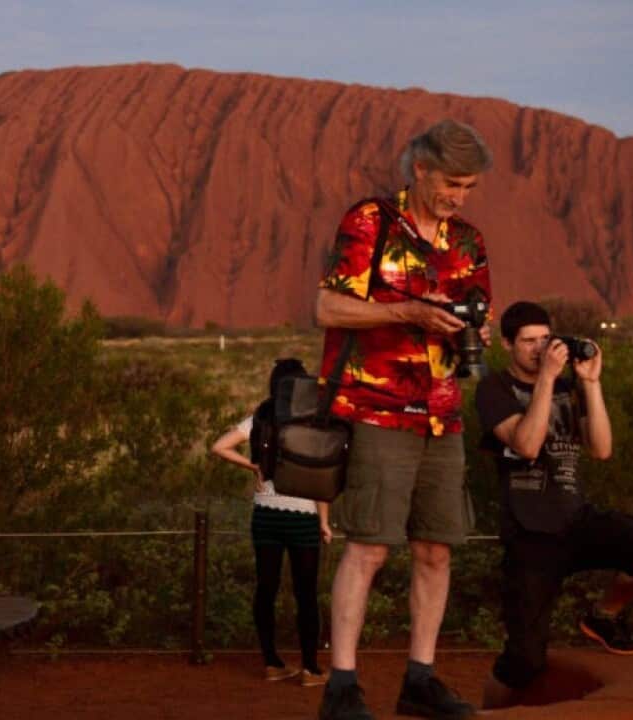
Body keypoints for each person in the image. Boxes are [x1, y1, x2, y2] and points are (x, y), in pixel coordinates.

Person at [314, 119, 493, 720]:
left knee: (436, 549)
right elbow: (327, 306)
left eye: (468, 187)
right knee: (369, 547)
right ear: (420, 169)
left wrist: (469, 323)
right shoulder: (372, 222)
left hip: (443, 413)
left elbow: (479, 310)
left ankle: (420, 679)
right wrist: (410, 311)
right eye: (451, 184)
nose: (459, 197)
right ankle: (342, 687)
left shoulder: (467, 240)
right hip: (379, 408)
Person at [476, 301, 633, 707]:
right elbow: (527, 445)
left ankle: (604, 616)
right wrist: (547, 379)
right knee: (525, 661)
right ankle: (490, 707)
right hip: (530, 537)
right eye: (528, 341)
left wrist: (591, 384)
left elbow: (601, 449)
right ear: (507, 344)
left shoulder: (569, 388)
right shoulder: (494, 389)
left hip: (576, 520)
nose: (539, 349)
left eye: (545, 339)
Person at [211, 358, 332, 687]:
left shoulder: (261, 416)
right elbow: (320, 478)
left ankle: (272, 663)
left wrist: (254, 467)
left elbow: (219, 446)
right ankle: (310, 669)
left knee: (266, 587)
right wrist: (324, 522)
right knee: (306, 593)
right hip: (302, 514)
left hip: (265, 513)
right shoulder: (312, 421)